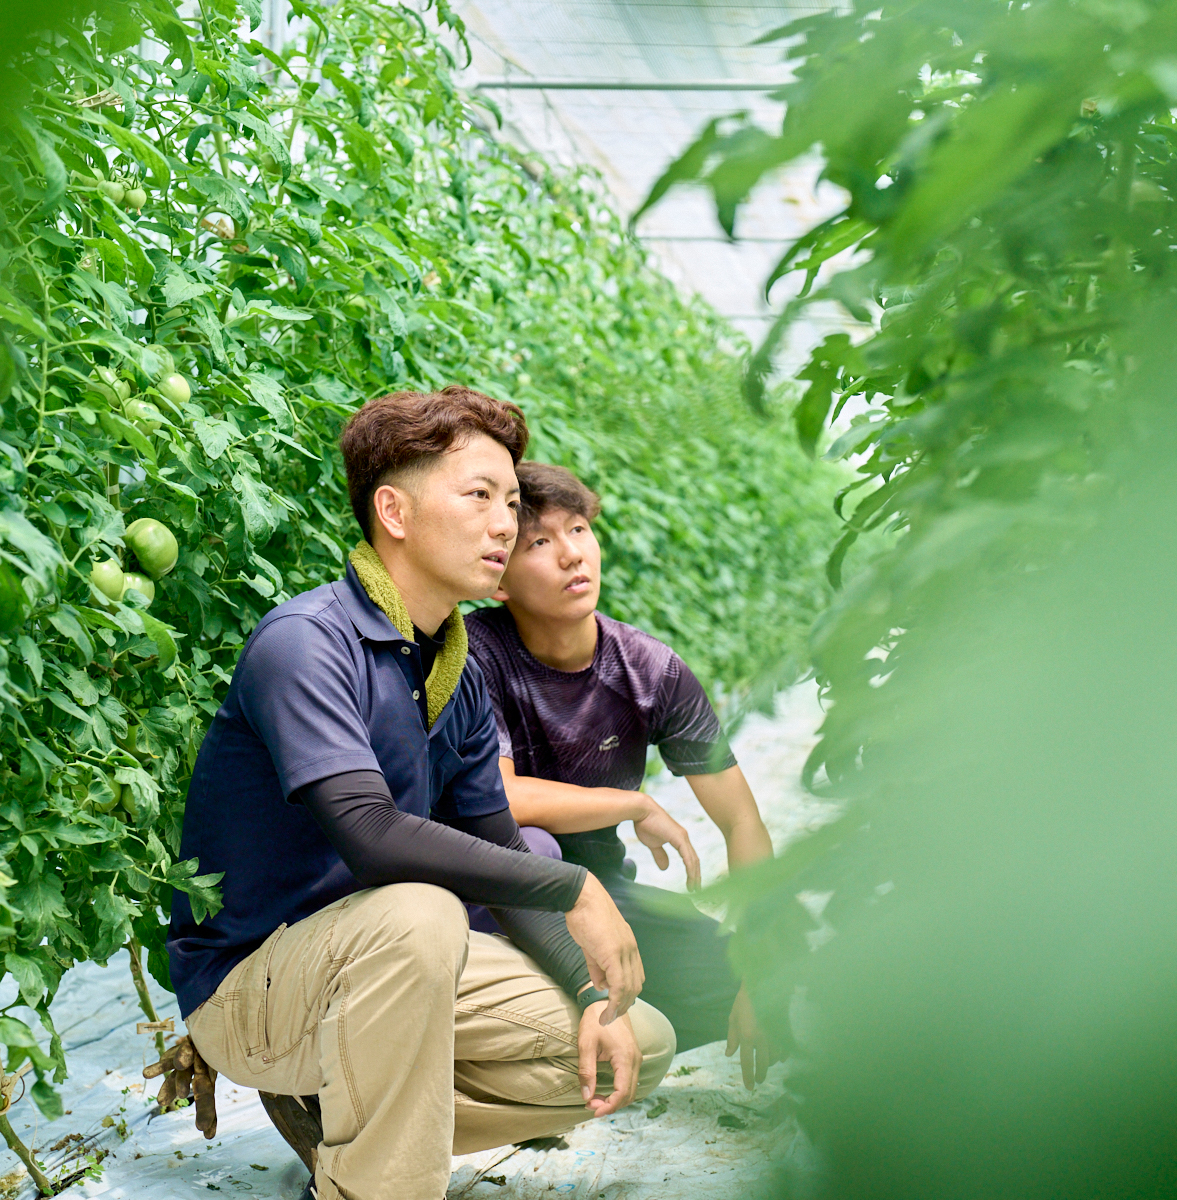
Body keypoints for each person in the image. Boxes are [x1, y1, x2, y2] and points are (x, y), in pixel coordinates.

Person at [167, 389, 675, 1200]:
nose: (505, 524)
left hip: (385, 975)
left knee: (633, 1039)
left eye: (511, 501)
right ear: (394, 511)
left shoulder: (457, 672)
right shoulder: (306, 644)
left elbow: (501, 848)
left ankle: (345, 1129)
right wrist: (575, 884)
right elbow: (370, 833)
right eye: (479, 496)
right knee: (421, 907)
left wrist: (584, 989)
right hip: (255, 985)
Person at [464, 462, 776, 1090]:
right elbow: (499, 798)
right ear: (498, 579)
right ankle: (522, 1055)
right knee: (537, 848)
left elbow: (742, 822)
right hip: (491, 897)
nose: (571, 555)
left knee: (764, 988)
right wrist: (630, 805)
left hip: (604, 898)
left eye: (578, 529)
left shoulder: (651, 673)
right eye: (539, 543)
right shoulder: (476, 655)